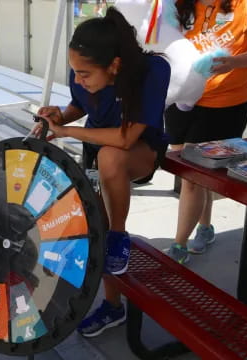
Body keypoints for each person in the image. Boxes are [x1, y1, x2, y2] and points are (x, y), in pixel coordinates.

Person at [35, 7, 170, 337]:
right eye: (74, 73)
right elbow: (82, 104)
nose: (77, 79)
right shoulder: (82, 67)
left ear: (114, 66)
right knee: (92, 224)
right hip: (97, 151)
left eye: (84, 74)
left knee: (111, 162)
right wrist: (60, 117)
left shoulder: (153, 69)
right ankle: (112, 306)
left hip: (139, 151)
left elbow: (126, 138)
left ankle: (118, 235)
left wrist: (67, 132)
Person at [165, 0, 247, 264]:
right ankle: (205, 227)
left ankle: (178, 245)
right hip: (182, 96)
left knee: (192, 177)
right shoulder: (180, 4)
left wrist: (233, 62)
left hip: (225, 102)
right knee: (192, 174)